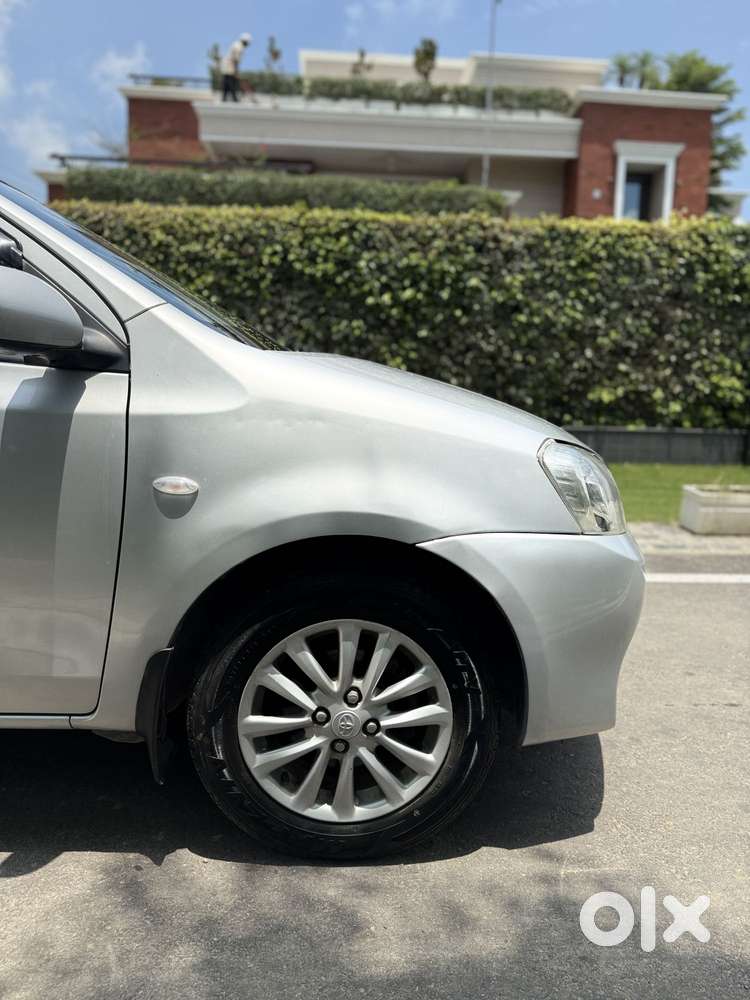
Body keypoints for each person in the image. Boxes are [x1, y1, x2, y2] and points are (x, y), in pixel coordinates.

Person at [221, 33, 252, 102]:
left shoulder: (236, 44)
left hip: (226, 64)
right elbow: (236, 60)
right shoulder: (240, 47)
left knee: (227, 82)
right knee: (231, 82)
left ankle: (224, 98)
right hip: (230, 65)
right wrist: (236, 71)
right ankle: (234, 98)